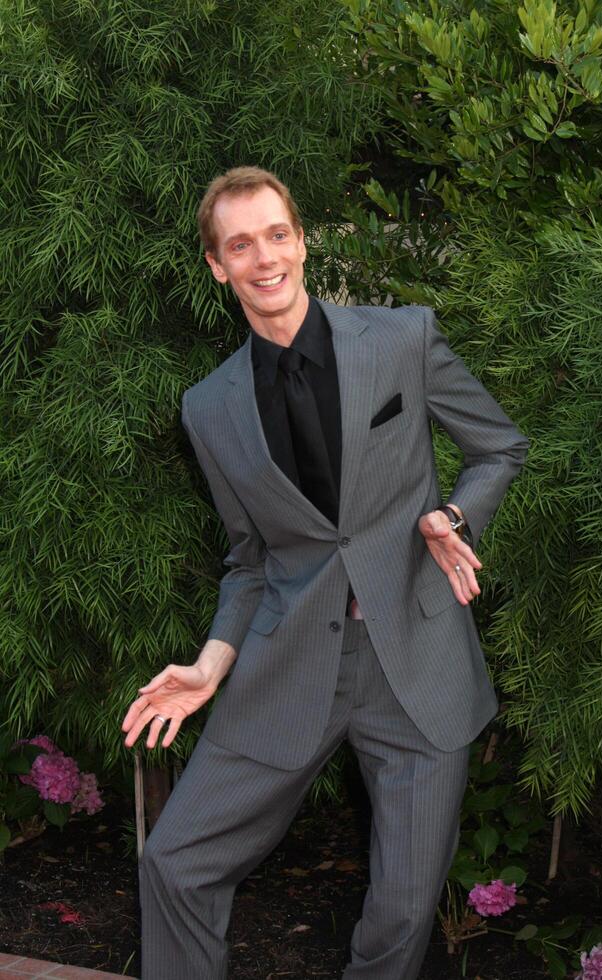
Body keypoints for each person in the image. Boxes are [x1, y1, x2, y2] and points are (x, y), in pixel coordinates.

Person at [121, 166, 529, 980]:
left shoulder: (402, 339)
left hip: (413, 657)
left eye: (277, 234)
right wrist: (211, 664)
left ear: (301, 240)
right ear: (217, 266)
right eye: (240, 244)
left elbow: (498, 445)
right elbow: (249, 560)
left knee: (406, 907)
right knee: (175, 861)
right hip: (288, 662)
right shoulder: (209, 408)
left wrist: (451, 518)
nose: (264, 257)